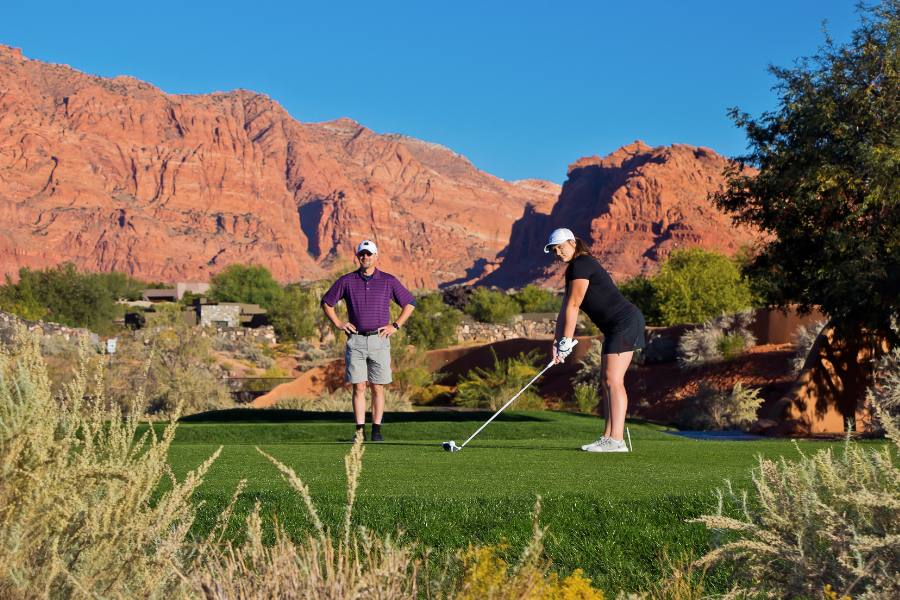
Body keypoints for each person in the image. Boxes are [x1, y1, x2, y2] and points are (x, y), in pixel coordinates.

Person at [545, 228, 645, 452]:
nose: (557, 253)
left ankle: (616, 440)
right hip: (615, 327)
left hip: (625, 322)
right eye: (554, 250)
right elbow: (564, 309)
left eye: (560, 247)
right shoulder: (573, 268)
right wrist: (557, 341)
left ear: (572, 242)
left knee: (613, 379)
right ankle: (609, 437)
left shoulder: (582, 264)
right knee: (606, 379)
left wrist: (567, 341)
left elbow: (574, 305)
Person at [321, 240, 416, 441]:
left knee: (377, 387)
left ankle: (376, 431)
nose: (365, 257)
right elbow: (327, 303)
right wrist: (339, 323)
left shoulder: (388, 281)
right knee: (359, 386)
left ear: (376, 256)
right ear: (357, 257)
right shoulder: (347, 281)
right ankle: (359, 432)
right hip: (355, 341)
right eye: (362, 254)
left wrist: (395, 325)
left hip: (379, 340)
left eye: (369, 254)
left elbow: (409, 303)